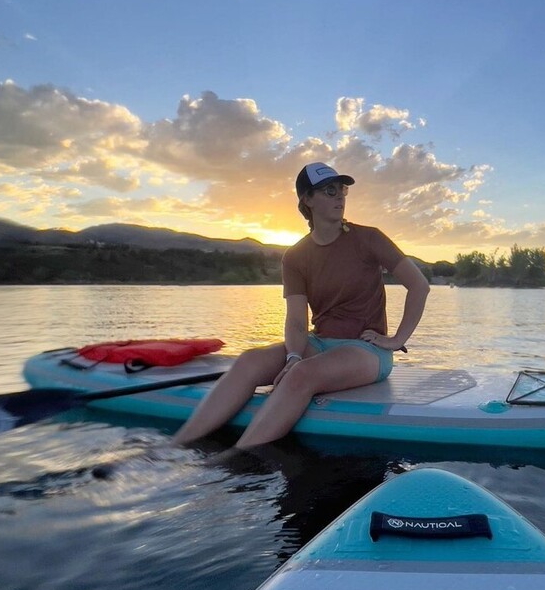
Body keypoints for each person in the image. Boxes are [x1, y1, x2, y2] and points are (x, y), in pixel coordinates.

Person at [172, 162, 430, 448]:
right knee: (248, 361)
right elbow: (296, 319)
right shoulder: (295, 256)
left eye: (342, 190)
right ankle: (175, 446)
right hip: (317, 344)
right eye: (329, 191)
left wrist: (397, 339)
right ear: (307, 199)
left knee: (302, 375)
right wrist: (293, 354)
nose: (340, 197)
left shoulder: (369, 238)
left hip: (365, 350)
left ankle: (233, 457)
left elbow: (419, 285)